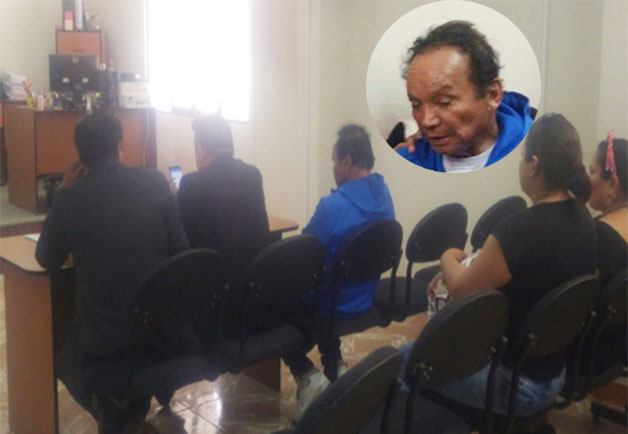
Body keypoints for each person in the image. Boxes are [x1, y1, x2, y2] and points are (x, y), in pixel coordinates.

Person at [402, 113, 596, 433]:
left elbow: (461, 290)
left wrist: (447, 256)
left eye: (522, 157)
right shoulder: (584, 220)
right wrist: (472, 264)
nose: (520, 164)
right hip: (554, 374)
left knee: (403, 362)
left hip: (513, 384)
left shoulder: (520, 229)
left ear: (534, 165)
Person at [36, 113, 190, 433]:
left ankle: (111, 406)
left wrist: (64, 190)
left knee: (61, 355)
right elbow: (182, 251)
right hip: (162, 335)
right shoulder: (155, 182)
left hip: (106, 347)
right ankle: (130, 405)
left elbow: (46, 258)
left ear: (80, 158)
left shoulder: (72, 198)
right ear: (120, 146)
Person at [284, 124, 395, 419]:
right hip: (363, 298)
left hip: (331, 305)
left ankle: (306, 376)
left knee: (268, 303)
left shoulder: (332, 207)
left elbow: (303, 253)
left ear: (347, 161)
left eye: (334, 160)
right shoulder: (384, 195)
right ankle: (336, 368)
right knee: (329, 280)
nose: (332, 167)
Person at [396, 21, 533, 173]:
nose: (426, 121)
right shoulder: (407, 161)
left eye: (444, 102)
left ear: (492, 94)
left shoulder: (538, 153)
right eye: (416, 104)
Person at [177, 114, 269, 288]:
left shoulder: (191, 184)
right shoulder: (253, 175)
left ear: (200, 151)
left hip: (210, 286)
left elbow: (181, 242)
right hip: (250, 286)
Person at [587, 132, 627, 372]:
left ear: (612, 184)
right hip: (617, 349)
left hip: (589, 355)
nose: (586, 179)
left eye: (592, 172)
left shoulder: (599, 235)